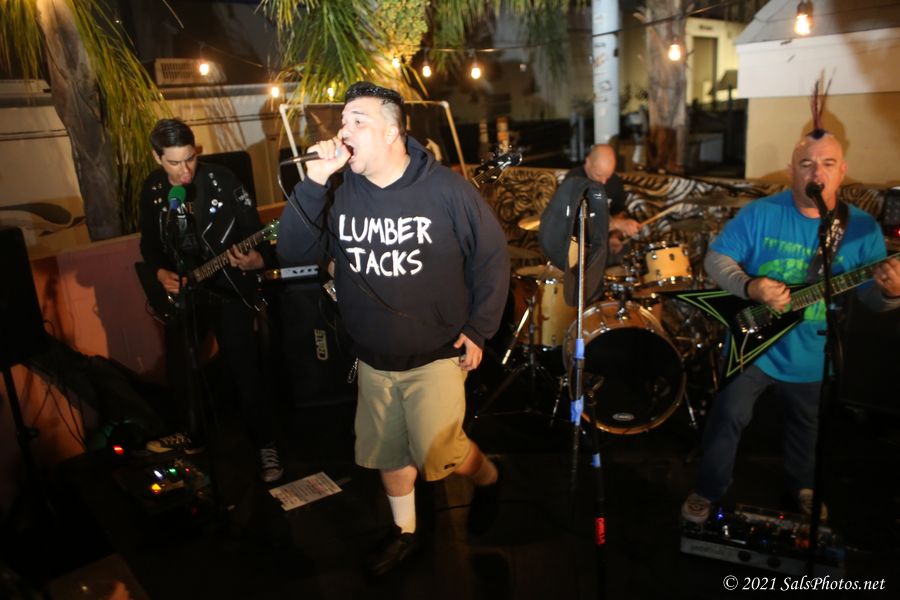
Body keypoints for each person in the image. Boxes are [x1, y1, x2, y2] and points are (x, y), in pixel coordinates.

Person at [276, 82, 510, 576]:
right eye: (343, 122)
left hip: (436, 352)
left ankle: (490, 477)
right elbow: (294, 254)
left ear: (391, 132)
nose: (343, 131)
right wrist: (313, 181)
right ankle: (405, 534)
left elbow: (491, 258)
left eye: (357, 121)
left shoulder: (447, 190)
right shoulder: (337, 192)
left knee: (441, 452)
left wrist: (479, 328)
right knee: (389, 450)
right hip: (372, 356)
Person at [681, 131, 900, 524]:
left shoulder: (863, 228)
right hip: (754, 344)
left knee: (807, 426)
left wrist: (891, 292)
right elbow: (716, 260)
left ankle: (803, 487)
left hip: (813, 350)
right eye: (806, 163)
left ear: (842, 171)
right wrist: (749, 286)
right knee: (727, 414)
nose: (817, 173)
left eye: (828, 164)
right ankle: (708, 488)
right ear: (791, 171)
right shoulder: (761, 213)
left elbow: (871, 298)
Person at [138, 118, 283, 483]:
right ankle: (190, 434)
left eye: (190, 158)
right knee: (180, 365)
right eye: (174, 162)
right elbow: (149, 245)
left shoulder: (222, 182)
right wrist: (160, 273)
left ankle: (265, 444)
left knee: (244, 367)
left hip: (228, 289)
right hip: (186, 293)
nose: (185, 169)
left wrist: (257, 260)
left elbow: (257, 235)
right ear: (157, 157)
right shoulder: (153, 189)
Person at [564, 143, 642, 256]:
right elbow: (577, 223)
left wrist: (615, 236)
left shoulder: (614, 181)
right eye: (599, 175)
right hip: (576, 244)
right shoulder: (573, 181)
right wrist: (617, 224)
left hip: (602, 244)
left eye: (608, 176)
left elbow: (618, 212)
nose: (604, 181)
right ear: (588, 162)